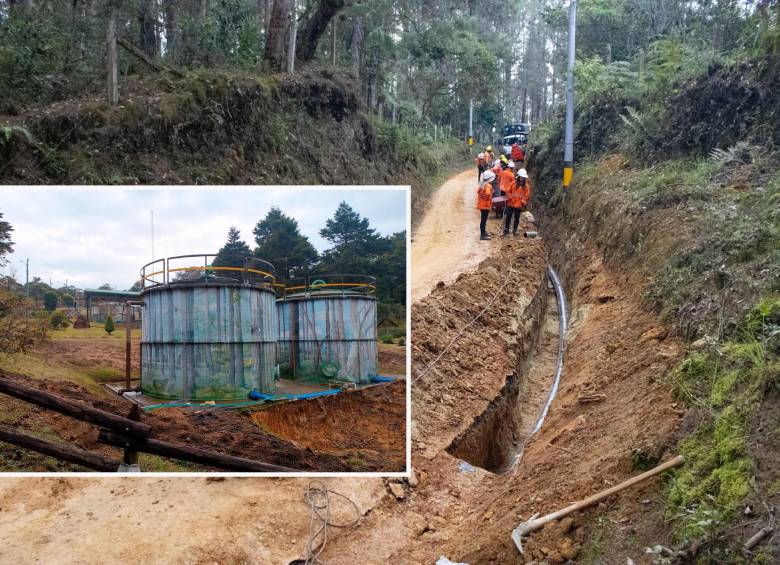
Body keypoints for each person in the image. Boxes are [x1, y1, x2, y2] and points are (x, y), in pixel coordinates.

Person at [503, 168, 531, 236]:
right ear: (519, 177)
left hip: (519, 205)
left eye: (523, 177)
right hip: (511, 203)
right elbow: (508, 191)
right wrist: (509, 197)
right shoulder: (513, 183)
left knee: (517, 217)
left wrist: (523, 203)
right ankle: (506, 229)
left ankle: (515, 230)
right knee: (508, 215)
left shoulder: (526, 187)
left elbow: (527, 196)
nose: (522, 179)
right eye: (521, 177)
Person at [477, 170, 495, 240]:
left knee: (483, 220)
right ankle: (482, 235)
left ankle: (483, 232)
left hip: (482, 205)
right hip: (485, 205)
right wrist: (491, 192)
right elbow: (487, 194)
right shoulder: (488, 185)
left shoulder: (482, 184)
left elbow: (479, 192)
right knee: (484, 220)